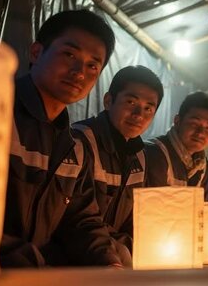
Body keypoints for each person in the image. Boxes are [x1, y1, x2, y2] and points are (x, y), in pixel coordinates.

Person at [1, 10, 123, 267]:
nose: (80, 72)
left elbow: (81, 219)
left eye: (93, 65)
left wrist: (110, 263)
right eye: (69, 54)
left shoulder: (73, 148)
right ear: (36, 53)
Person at [72, 66, 163, 266]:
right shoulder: (80, 142)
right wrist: (118, 249)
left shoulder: (139, 154)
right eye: (130, 102)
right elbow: (76, 220)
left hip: (114, 256)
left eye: (149, 108)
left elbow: (137, 220)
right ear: (108, 101)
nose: (139, 114)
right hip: (79, 262)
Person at [145, 91, 208, 187]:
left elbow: (201, 201)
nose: (200, 133)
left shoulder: (201, 163)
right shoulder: (155, 152)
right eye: (194, 124)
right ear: (177, 121)